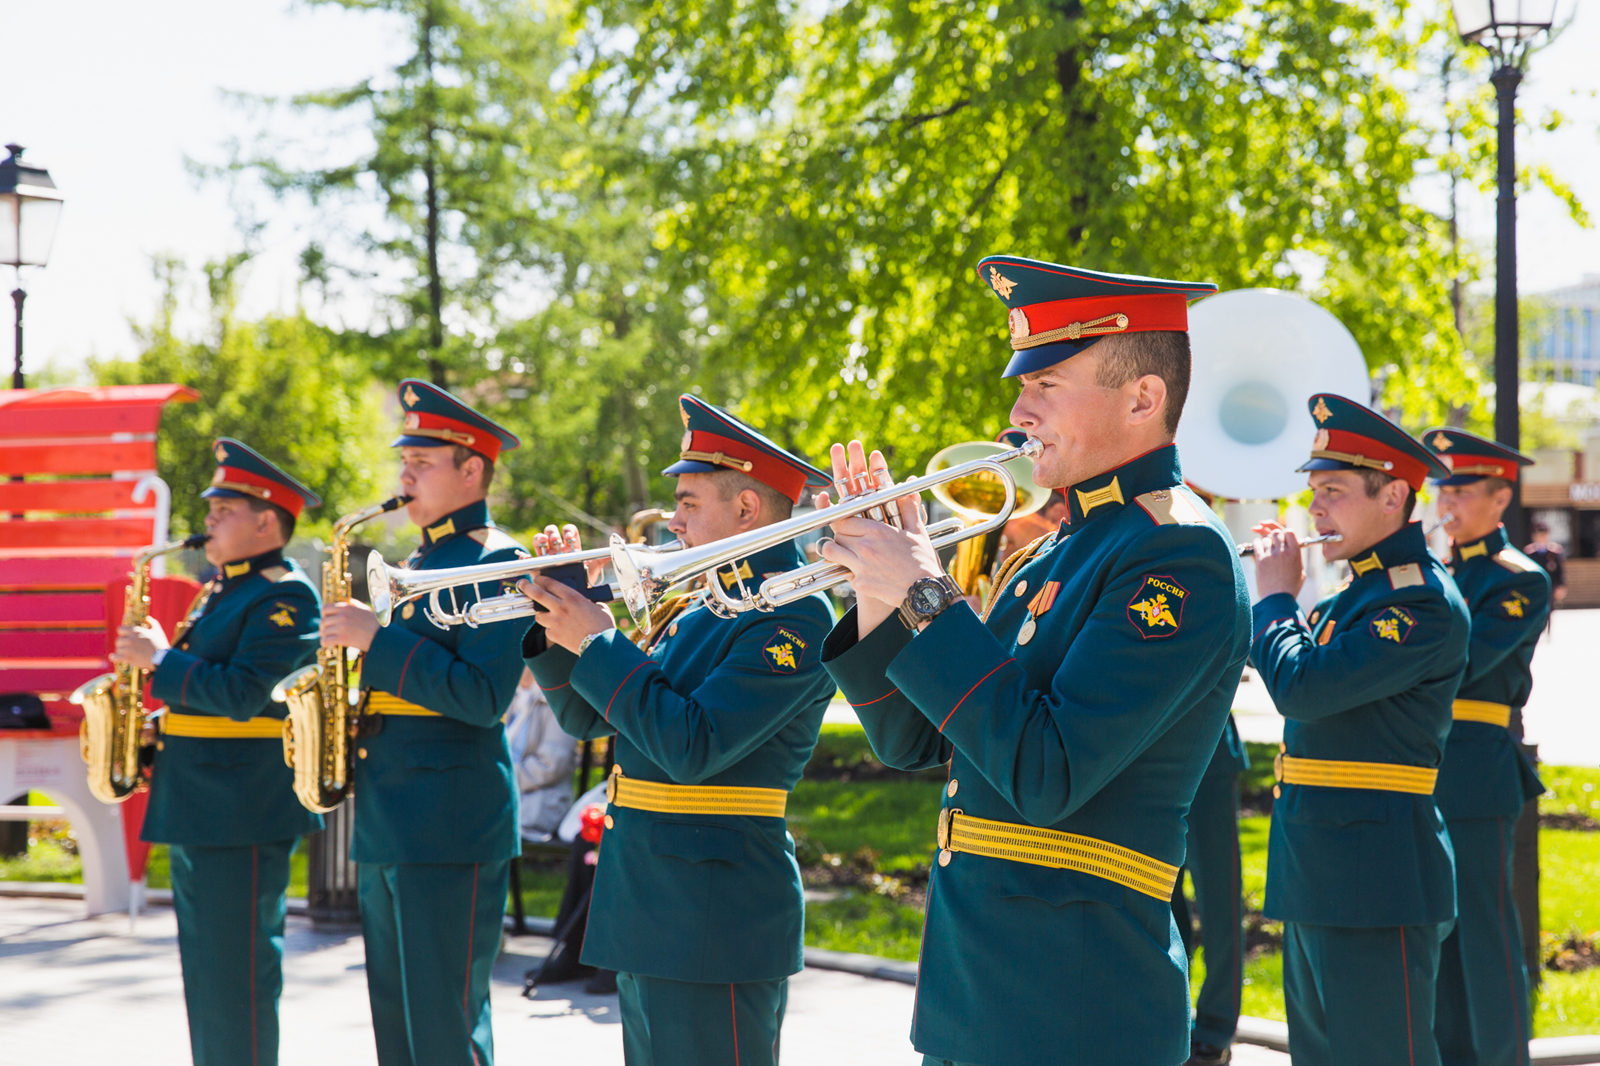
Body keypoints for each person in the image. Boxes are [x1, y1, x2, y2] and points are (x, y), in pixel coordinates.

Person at [817, 255, 1251, 1066]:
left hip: (1074, 1009)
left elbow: (1045, 773)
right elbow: (912, 743)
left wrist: (925, 593)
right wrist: (879, 591)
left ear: (1143, 398)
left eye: (1045, 383)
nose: (1017, 411)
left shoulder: (1175, 551)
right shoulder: (1056, 552)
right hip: (976, 998)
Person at [519, 394, 837, 1066]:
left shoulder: (796, 613)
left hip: (712, 916)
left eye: (689, 501)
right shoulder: (698, 608)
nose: (672, 519)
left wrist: (601, 642)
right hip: (649, 906)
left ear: (746, 509)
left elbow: (692, 746)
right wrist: (560, 620)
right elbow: (586, 718)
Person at [1249, 394, 1469, 1066]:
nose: (1315, 509)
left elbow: (1303, 689)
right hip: (1318, 868)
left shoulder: (1419, 600)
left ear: (1394, 494)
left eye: (1334, 491)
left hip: (1379, 879)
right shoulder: (1354, 598)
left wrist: (1277, 600)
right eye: (1314, 491)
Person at [319, 379, 528, 1066]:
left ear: (473, 471)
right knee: (399, 1030)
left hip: (449, 822)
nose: (404, 474)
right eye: (403, 460)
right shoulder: (419, 562)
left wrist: (377, 643)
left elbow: (483, 696)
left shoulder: (500, 561)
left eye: (422, 461)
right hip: (392, 816)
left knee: (443, 1027)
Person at [112, 438, 323, 1066]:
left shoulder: (285, 595)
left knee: (239, 980)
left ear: (267, 521)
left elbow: (241, 695)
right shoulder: (221, 590)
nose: (208, 519)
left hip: (242, 809)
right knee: (208, 979)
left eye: (223, 508)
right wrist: (155, 723)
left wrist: (160, 660)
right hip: (200, 801)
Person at [1423, 427, 1550, 1066]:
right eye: (1442, 486)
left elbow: (1460, 663)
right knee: (1438, 932)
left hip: (1475, 770)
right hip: (1425, 770)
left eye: (1462, 489)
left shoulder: (1517, 579)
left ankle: (1503, 1058)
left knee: (1485, 932)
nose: (1446, 500)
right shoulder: (1438, 574)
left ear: (1501, 499)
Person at [1173, 718, 1248, 1066]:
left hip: (1210, 756)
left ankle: (1215, 1031)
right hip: (1153, 753)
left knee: (1219, 901)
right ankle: (1173, 1018)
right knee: (1163, 903)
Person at [505, 667, 579, 842]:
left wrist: (501, 777)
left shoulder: (557, 700)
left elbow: (551, 765)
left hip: (537, 801)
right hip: (500, 792)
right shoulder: (508, 695)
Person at [1523, 521, 1566, 627]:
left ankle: (1547, 627)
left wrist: (1561, 585)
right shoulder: (1530, 552)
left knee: (1549, 609)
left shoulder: (1554, 552)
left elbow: (1560, 570)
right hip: (1535, 585)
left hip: (1550, 585)